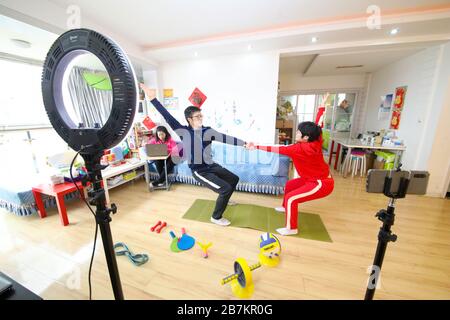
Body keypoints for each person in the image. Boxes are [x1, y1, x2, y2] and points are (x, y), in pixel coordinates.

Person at [140, 84, 249, 226]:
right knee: (225, 189)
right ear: (189, 119)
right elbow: (167, 116)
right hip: (200, 171)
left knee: (234, 179)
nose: (201, 118)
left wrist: (244, 143)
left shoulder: (207, 131)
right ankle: (216, 217)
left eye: (201, 115)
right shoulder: (182, 131)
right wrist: (153, 99)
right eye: (197, 116)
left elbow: (225, 137)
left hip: (212, 165)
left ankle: (225, 198)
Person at [247, 121, 334, 236]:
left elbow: (277, 148)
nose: (296, 133)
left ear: (306, 137)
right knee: (290, 185)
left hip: (321, 183)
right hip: (311, 178)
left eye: (299, 132)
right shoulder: (315, 141)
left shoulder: (299, 149)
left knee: (291, 198)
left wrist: (256, 146)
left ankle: (291, 228)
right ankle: (285, 207)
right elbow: (318, 130)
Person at [147, 125, 179, 190]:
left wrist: (169, 152)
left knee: (171, 163)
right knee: (157, 161)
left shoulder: (171, 140)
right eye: (159, 135)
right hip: (161, 157)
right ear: (157, 135)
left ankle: (159, 181)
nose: (161, 136)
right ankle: (162, 180)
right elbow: (148, 146)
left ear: (166, 133)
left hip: (172, 157)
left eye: (162, 134)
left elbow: (175, 151)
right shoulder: (155, 140)